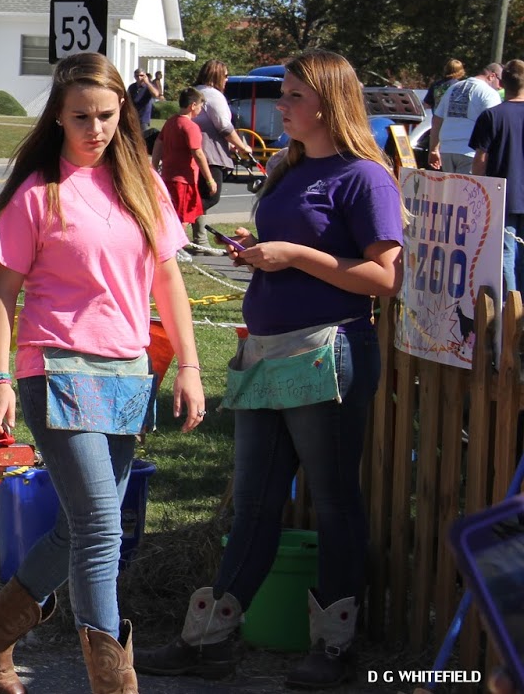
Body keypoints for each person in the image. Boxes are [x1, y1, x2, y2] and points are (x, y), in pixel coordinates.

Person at [137, 50, 403, 690]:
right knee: (254, 501)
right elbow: (292, 255)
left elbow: (385, 278)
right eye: (283, 94)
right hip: (266, 351)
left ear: (329, 104)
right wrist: (260, 256)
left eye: (291, 96)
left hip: (328, 350)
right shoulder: (288, 166)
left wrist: (294, 254)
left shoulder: (365, 178)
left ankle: (334, 649)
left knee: (334, 502)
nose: (279, 106)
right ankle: (210, 640)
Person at [0, 52, 204, 694]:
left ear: (123, 109)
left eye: (106, 114)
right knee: (100, 525)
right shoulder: (37, 192)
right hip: (55, 367)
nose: (95, 128)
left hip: (127, 373)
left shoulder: (143, 183)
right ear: (59, 118)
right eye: (80, 117)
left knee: (82, 523)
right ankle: (114, 684)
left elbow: (167, 278)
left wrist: (190, 366)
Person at [470, 59, 524, 292]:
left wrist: (477, 191)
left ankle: (513, 313)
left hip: (504, 194)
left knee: (506, 254)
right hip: (509, 195)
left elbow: (480, 160)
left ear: (501, 83)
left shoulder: (491, 116)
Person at [189, 59, 253, 249]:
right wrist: (242, 146)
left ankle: (199, 239)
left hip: (199, 150)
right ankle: (179, 224)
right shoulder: (213, 95)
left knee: (200, 195)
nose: (227, 79)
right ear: (217, 76)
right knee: (210, 195)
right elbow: (224, 125)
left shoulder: (196, 92)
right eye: (225, 75)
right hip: (209, 153)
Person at [153, 87, 218, 260]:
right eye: (200, 106)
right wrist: (210, 179)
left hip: (168, 177)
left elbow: (158, 144)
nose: (200, 110)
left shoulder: (171, 122)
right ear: (193, 105)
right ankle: (174, 249)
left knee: (173, 214)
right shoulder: (190, 126)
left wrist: (154, 166)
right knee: (181, 217)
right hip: (183, 180)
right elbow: (198, 153)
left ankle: (176, 246)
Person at [430, 62, 502, 174]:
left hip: (447, 149)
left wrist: (434, 149)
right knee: (466, 191)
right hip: (470, 152)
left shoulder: (453, 88)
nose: (500, 86)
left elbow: (437, 119)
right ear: (492, 76)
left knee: (451, 190)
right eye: (500, 81)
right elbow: (493, 124)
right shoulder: (489, 94)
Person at [127, 68, 161, 137]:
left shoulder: (148, 87)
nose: (139, 78)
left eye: (141, 75)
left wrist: (147, 82)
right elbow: (128, 99)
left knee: (144, 138)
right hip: (133, 117)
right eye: (137, 76)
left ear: (145, 76)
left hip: (143, 118)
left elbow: (156, 94)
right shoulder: (132, 87)